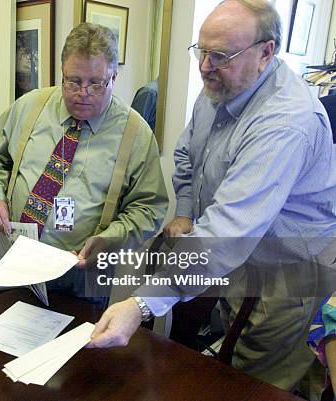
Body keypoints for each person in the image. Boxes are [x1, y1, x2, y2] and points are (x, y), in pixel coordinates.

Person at [89, 0, 336, 392]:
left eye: (220, 55)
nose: (205, 66)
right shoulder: (221, 86)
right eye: (201, 51)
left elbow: (229, 229)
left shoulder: (287, 122)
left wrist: (140, 305)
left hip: (287, 271)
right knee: (228, 358)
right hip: (236, 258)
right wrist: (185, 210)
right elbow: (188, 154)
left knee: (255, 379)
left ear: (266, 52)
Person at [0, 22, 168, 299]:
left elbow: (148, 207)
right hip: (13, 260)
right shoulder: (31, 105)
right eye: (74, 81)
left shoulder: (135, 133)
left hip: (81, 276)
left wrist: (111, 238)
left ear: (114, 78)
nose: (83, 93)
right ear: (62, 72)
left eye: (95, 83)